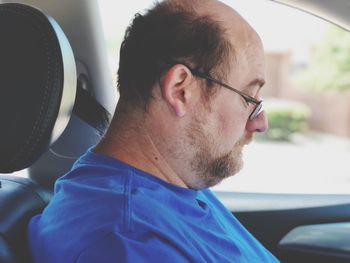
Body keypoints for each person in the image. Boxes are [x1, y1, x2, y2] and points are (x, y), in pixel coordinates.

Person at [28, 0, 279, 262]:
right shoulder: (126, 240)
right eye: (249, 99)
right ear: (180, 90)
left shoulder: (177, 179)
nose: (260, 123)